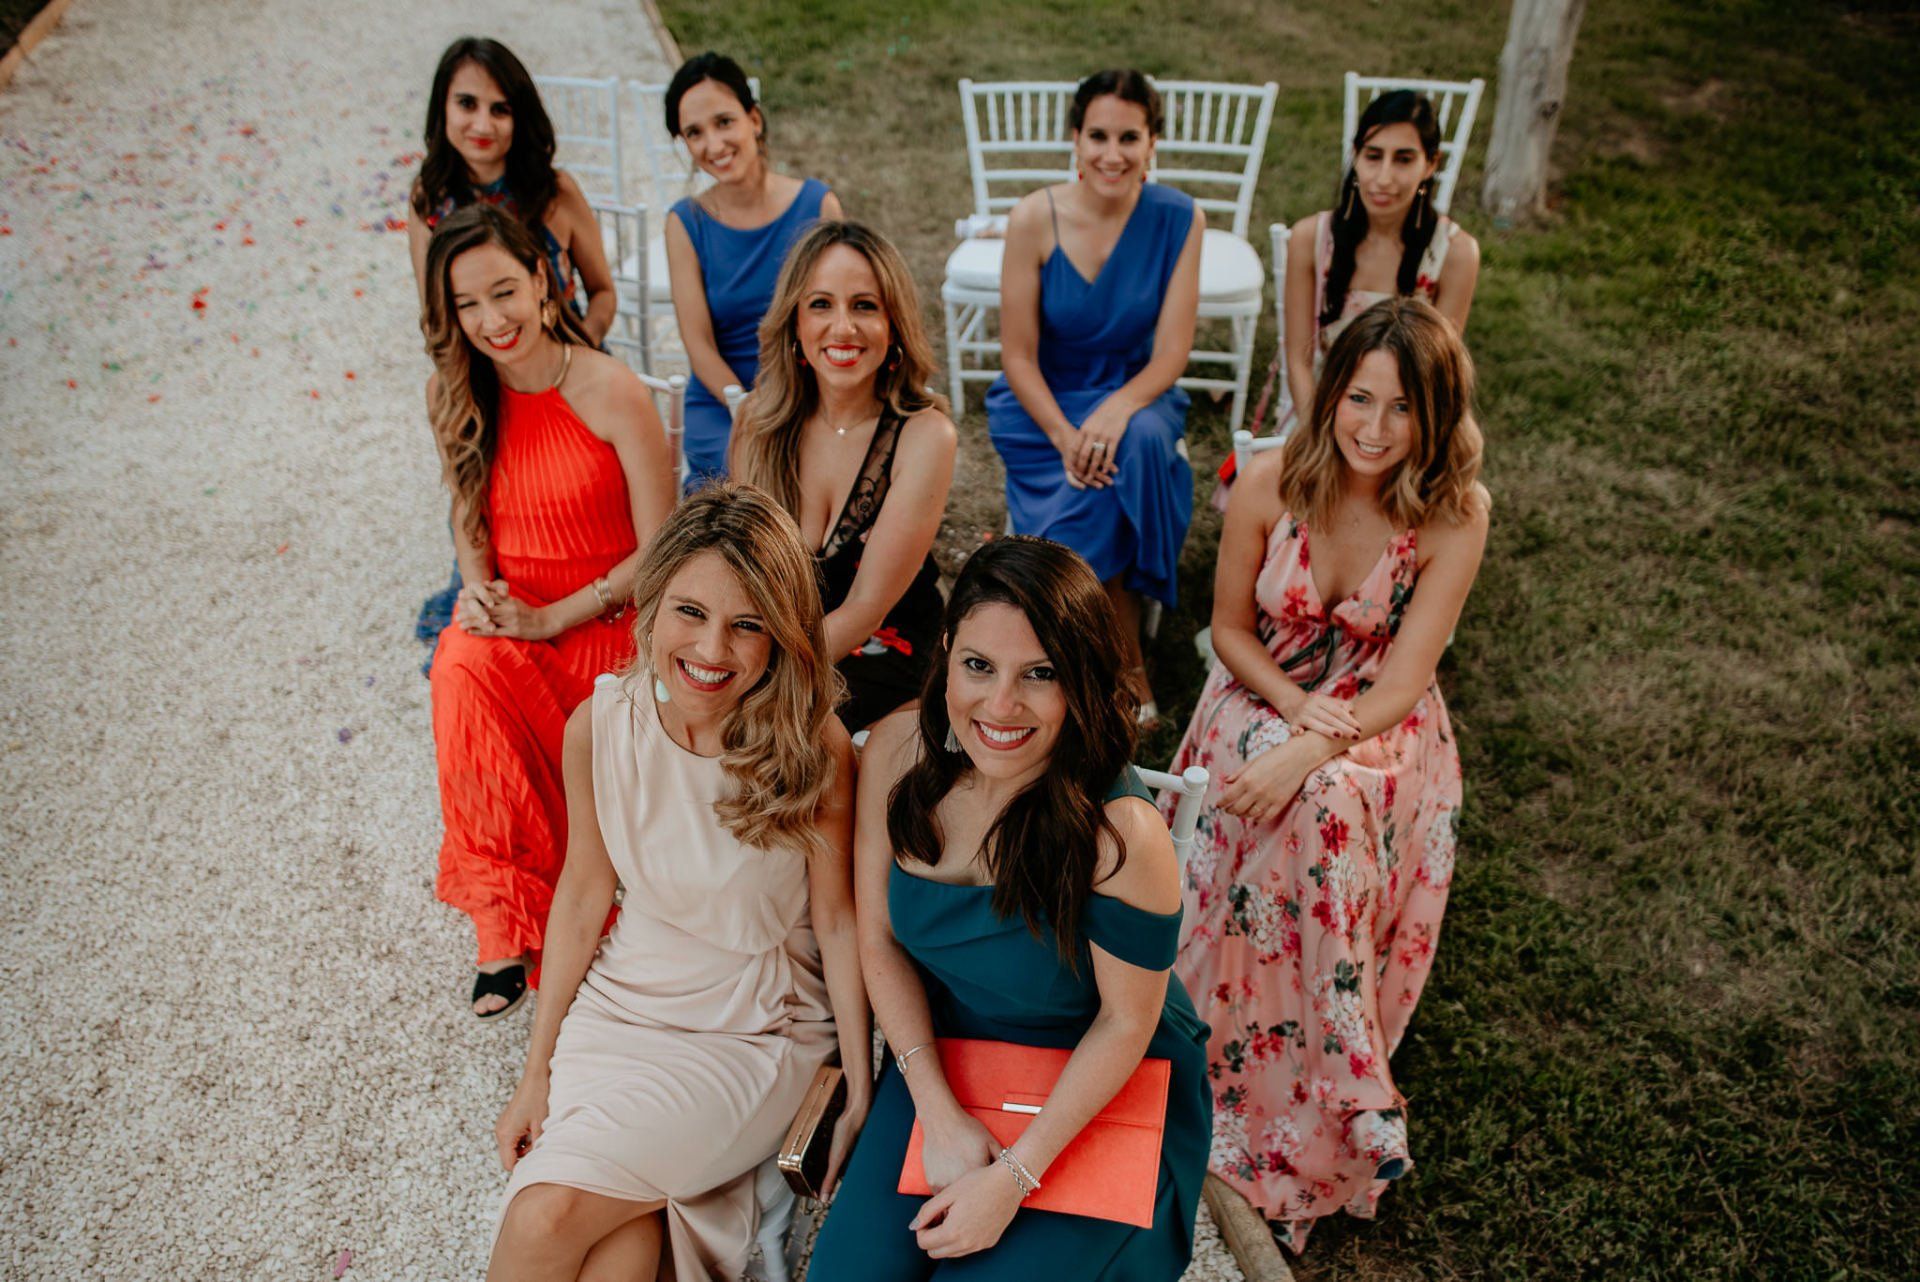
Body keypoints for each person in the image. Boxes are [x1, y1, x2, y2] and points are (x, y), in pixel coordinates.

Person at [1166, 298, 1489, 1253]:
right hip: (1261, 687)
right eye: (1360, 398)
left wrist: (1312, 746)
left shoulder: (1455, 514)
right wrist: (1289, 711)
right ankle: (1314, 1075)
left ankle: (1326, 1078)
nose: (1375, 429)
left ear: (1436, 417)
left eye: (1403, 408)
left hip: (1378, 721)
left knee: (1326, 801)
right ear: (1333, 392)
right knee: (1304, 800)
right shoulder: (1271, 480)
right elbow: (1230, 631)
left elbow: (1405, 680)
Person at [486, 484, 871, 1282]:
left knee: (545, 1214)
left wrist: (860, 1082)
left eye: (747, 625)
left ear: (781, 635)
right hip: (623, 1006)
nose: (712, 649)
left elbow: (838, 921)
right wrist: (535, 1070)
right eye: (690, 612)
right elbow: (583, 896)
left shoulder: (813, 746)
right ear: (651, 604)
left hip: (756, 1029)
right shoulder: (600, 726)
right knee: (619, 1251)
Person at [809, 536, 1211, 1280]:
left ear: (1080, 679)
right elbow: (879, 939)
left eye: (1040, 674)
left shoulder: (1122, 832)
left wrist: (1013, 1178)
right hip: (949, 1057)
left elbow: (1126, 1022)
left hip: (1096, 1078)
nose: (1000, 706)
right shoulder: (895, 752)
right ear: (947, 653)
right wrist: (935, 1109)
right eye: (978, 666)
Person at [423, 203, 675, 1019]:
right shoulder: (456, 395)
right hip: (522, 620)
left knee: (478, 665)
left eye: (503, 291)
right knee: (460, 660)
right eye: (467, 304)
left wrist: (554, 618)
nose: (491, 320)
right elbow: (468, 516)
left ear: (541, 279)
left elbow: (662, 550)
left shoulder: (609, 389)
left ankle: (564, 899)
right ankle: (503, 917)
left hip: (606, 621)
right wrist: (478, 589)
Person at [987, 69, 1203, 726]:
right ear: (1075, 139)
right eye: (1099, 136)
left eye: (1129, 138)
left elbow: (1171, 354)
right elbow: (1017, 355)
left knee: (1133, 446)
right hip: (1044, 402)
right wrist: (1064, 434)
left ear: (1152, 143)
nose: (1113, 154)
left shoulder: (1179, 218)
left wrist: (1115, 409)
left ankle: (1099, 645)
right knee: (1099, 476)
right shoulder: (1034, 218)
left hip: (1136, 391)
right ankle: (1124, 649)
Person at [409, 37, 619, 656]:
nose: (482, 123)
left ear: (520, 117)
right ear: (442, 110)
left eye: (500, 109)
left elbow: (602, 292)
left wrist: (577, 358)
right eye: (467, 104)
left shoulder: (555, 192)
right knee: (481, 536)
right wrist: (464, 391)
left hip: (570, 366)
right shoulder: (429, 201)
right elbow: (437, 319)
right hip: (483, 380)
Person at [729, 220, 957, 733]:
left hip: (884, 652)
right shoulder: (758, 422)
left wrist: (760, 679)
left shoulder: (924, 436)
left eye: (864, 306)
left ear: (894, 324)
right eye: (821, 304)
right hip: (774, 644)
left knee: (791, 733)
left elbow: (866, 608)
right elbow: (741, 573)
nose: (843, 328)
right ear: (794, 322)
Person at [1236, 90, 1481, 461]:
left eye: (1403, 159)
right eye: (1373, 156)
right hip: (1320, 408)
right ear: (1356, 156)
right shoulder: (1311, 237)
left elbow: (1435, 372)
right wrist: (1322, 433)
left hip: (1405, 416)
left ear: (1431, 164)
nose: (1383, 178)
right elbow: (1299, 360)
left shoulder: (1456, 254)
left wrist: (1384, 436)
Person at [664, 52, 844, 488]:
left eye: (724, 122)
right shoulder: (685, 223)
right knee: (741, 483)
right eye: (694, 133)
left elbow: (838, 317)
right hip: (722, 401)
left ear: (754, 120)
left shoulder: (818, 206)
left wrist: (790, 401)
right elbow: (698, 344)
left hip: (809, 389)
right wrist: (745, 408)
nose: (713, 145)